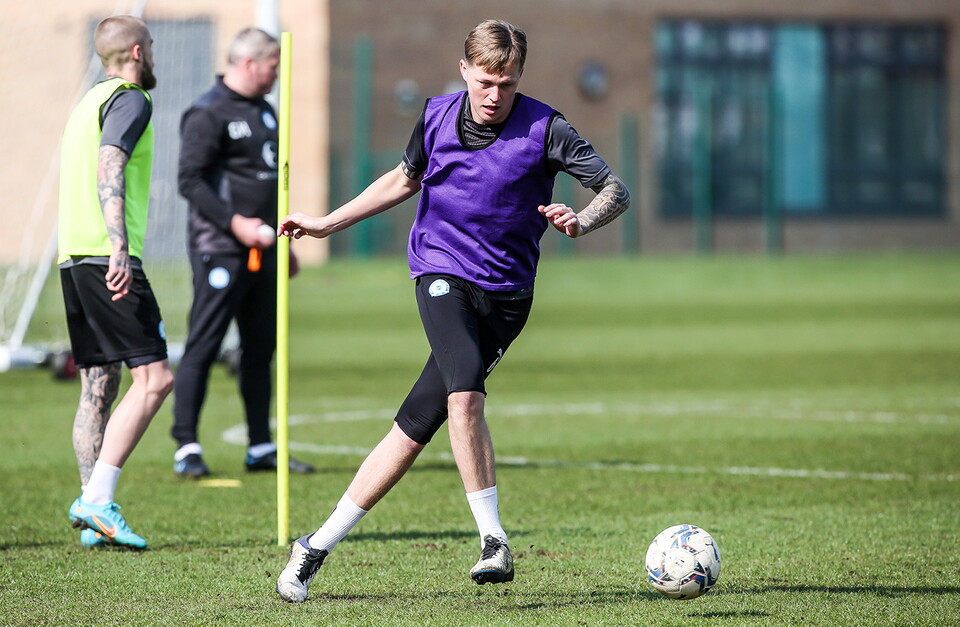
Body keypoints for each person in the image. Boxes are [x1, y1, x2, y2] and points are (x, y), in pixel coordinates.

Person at [275, 19, 630, 602]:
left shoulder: (547, 127)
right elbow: (404, 179)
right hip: (441, 270)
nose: (495, 95)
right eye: (487, 81)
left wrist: (581, 220)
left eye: (508, 84)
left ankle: (315, 545)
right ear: (465, 69)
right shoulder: (437, 115)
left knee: (414, 426)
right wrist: (325, 222)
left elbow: (615, 190)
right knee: (463, 393)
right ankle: (493, 540)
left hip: (508, 297)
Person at [171, 27, 313, 478]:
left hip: (265, 252)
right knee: (205, 344)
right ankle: (186, 446)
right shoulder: (207, 112)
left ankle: (260, 446)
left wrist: (281, 241)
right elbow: (189, 181)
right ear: (250, 63)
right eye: (272, 67)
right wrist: (236, 224)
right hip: (220, 249)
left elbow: (268, 182)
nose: (276, 76)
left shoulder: (265, 112)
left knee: (259, 349)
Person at [59, 15, 174, 549]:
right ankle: (98, 499)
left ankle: (92, 514)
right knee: (155, 380)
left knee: (98, 385)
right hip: (108, 257)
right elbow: (111, 161)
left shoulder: (86, 103)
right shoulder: (131, 97)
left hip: (73, 258)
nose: (152, 55)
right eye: (149, 47)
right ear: (135, 51)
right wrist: (120, 248)